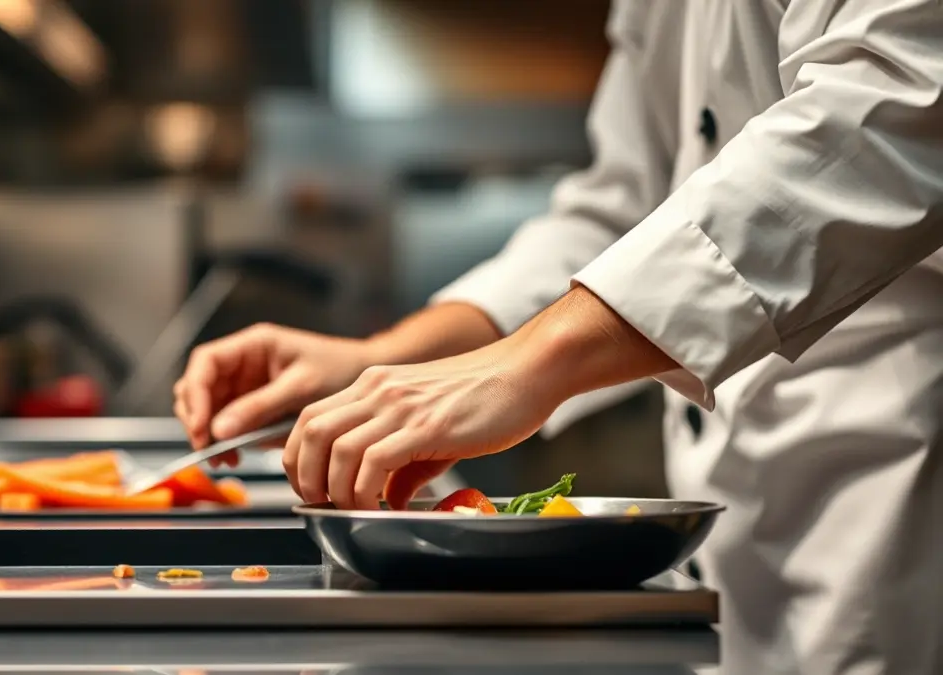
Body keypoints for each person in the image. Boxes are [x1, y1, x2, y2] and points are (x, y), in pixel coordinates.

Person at [174, 1, 943, 673]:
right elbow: (624, 208)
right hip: (739, 519)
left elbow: (891, 117)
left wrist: (531, 363)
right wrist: (387, 358)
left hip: (889, 482)